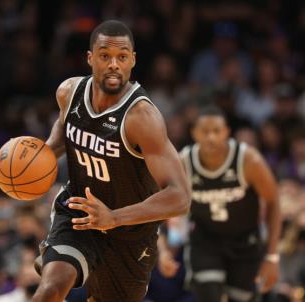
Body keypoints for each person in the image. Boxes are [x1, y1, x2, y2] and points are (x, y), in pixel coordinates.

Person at [31, 20, 190, 302]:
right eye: (105, 56)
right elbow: (61, 135)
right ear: (90, 58)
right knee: (50, 291)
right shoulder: (69, 93)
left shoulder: (142, 118)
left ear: (133, 60)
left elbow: (180, 197)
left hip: (129, 233)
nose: (114, 64)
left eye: (122, 56)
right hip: (79, 213)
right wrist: (34, 160)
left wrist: (114, 218)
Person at [159, 106, 281, 302]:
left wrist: (272, 256)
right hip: (205, 242)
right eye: (205, 132)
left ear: (226, 132)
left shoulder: (248, 160)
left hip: (245, 243)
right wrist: (163, 249)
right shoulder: (184, 162)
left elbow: (273, 202)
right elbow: (161, 205)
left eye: (216, 131)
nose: (211, 138)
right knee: (208, 295)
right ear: (194, 133)